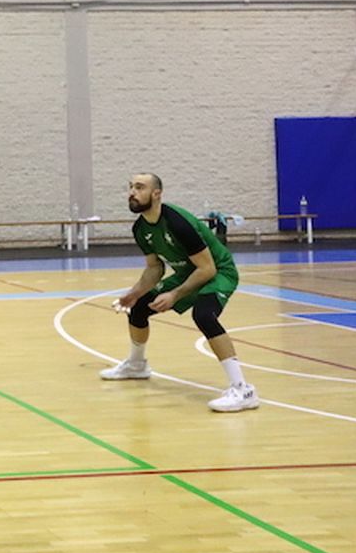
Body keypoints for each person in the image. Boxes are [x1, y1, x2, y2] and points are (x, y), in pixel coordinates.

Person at [100, 174, 257, 412]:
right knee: (140, 307)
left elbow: (207, 269)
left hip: (218, 273)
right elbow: (155, 268)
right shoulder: (140, 228)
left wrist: (174, 295)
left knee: (204, 315)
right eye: (130, 187)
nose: (132, 192)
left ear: (156, 194)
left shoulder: (177, 223)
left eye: (139, 187)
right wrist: (135, 293)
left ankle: (243, 389)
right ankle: (136, 365)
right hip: (189, 273)